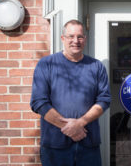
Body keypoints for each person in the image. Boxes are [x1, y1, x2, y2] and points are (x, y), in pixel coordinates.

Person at [30, 19, 111, 166]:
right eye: (71, 36)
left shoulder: (96, 66)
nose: (76, 41)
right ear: (63, 38)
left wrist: (80, 123)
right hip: (55, 144)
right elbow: (38, 102)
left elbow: (104, 100)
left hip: (88, 143)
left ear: (85, 39)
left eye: (80, 37)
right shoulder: (46, 64)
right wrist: (69, 128)